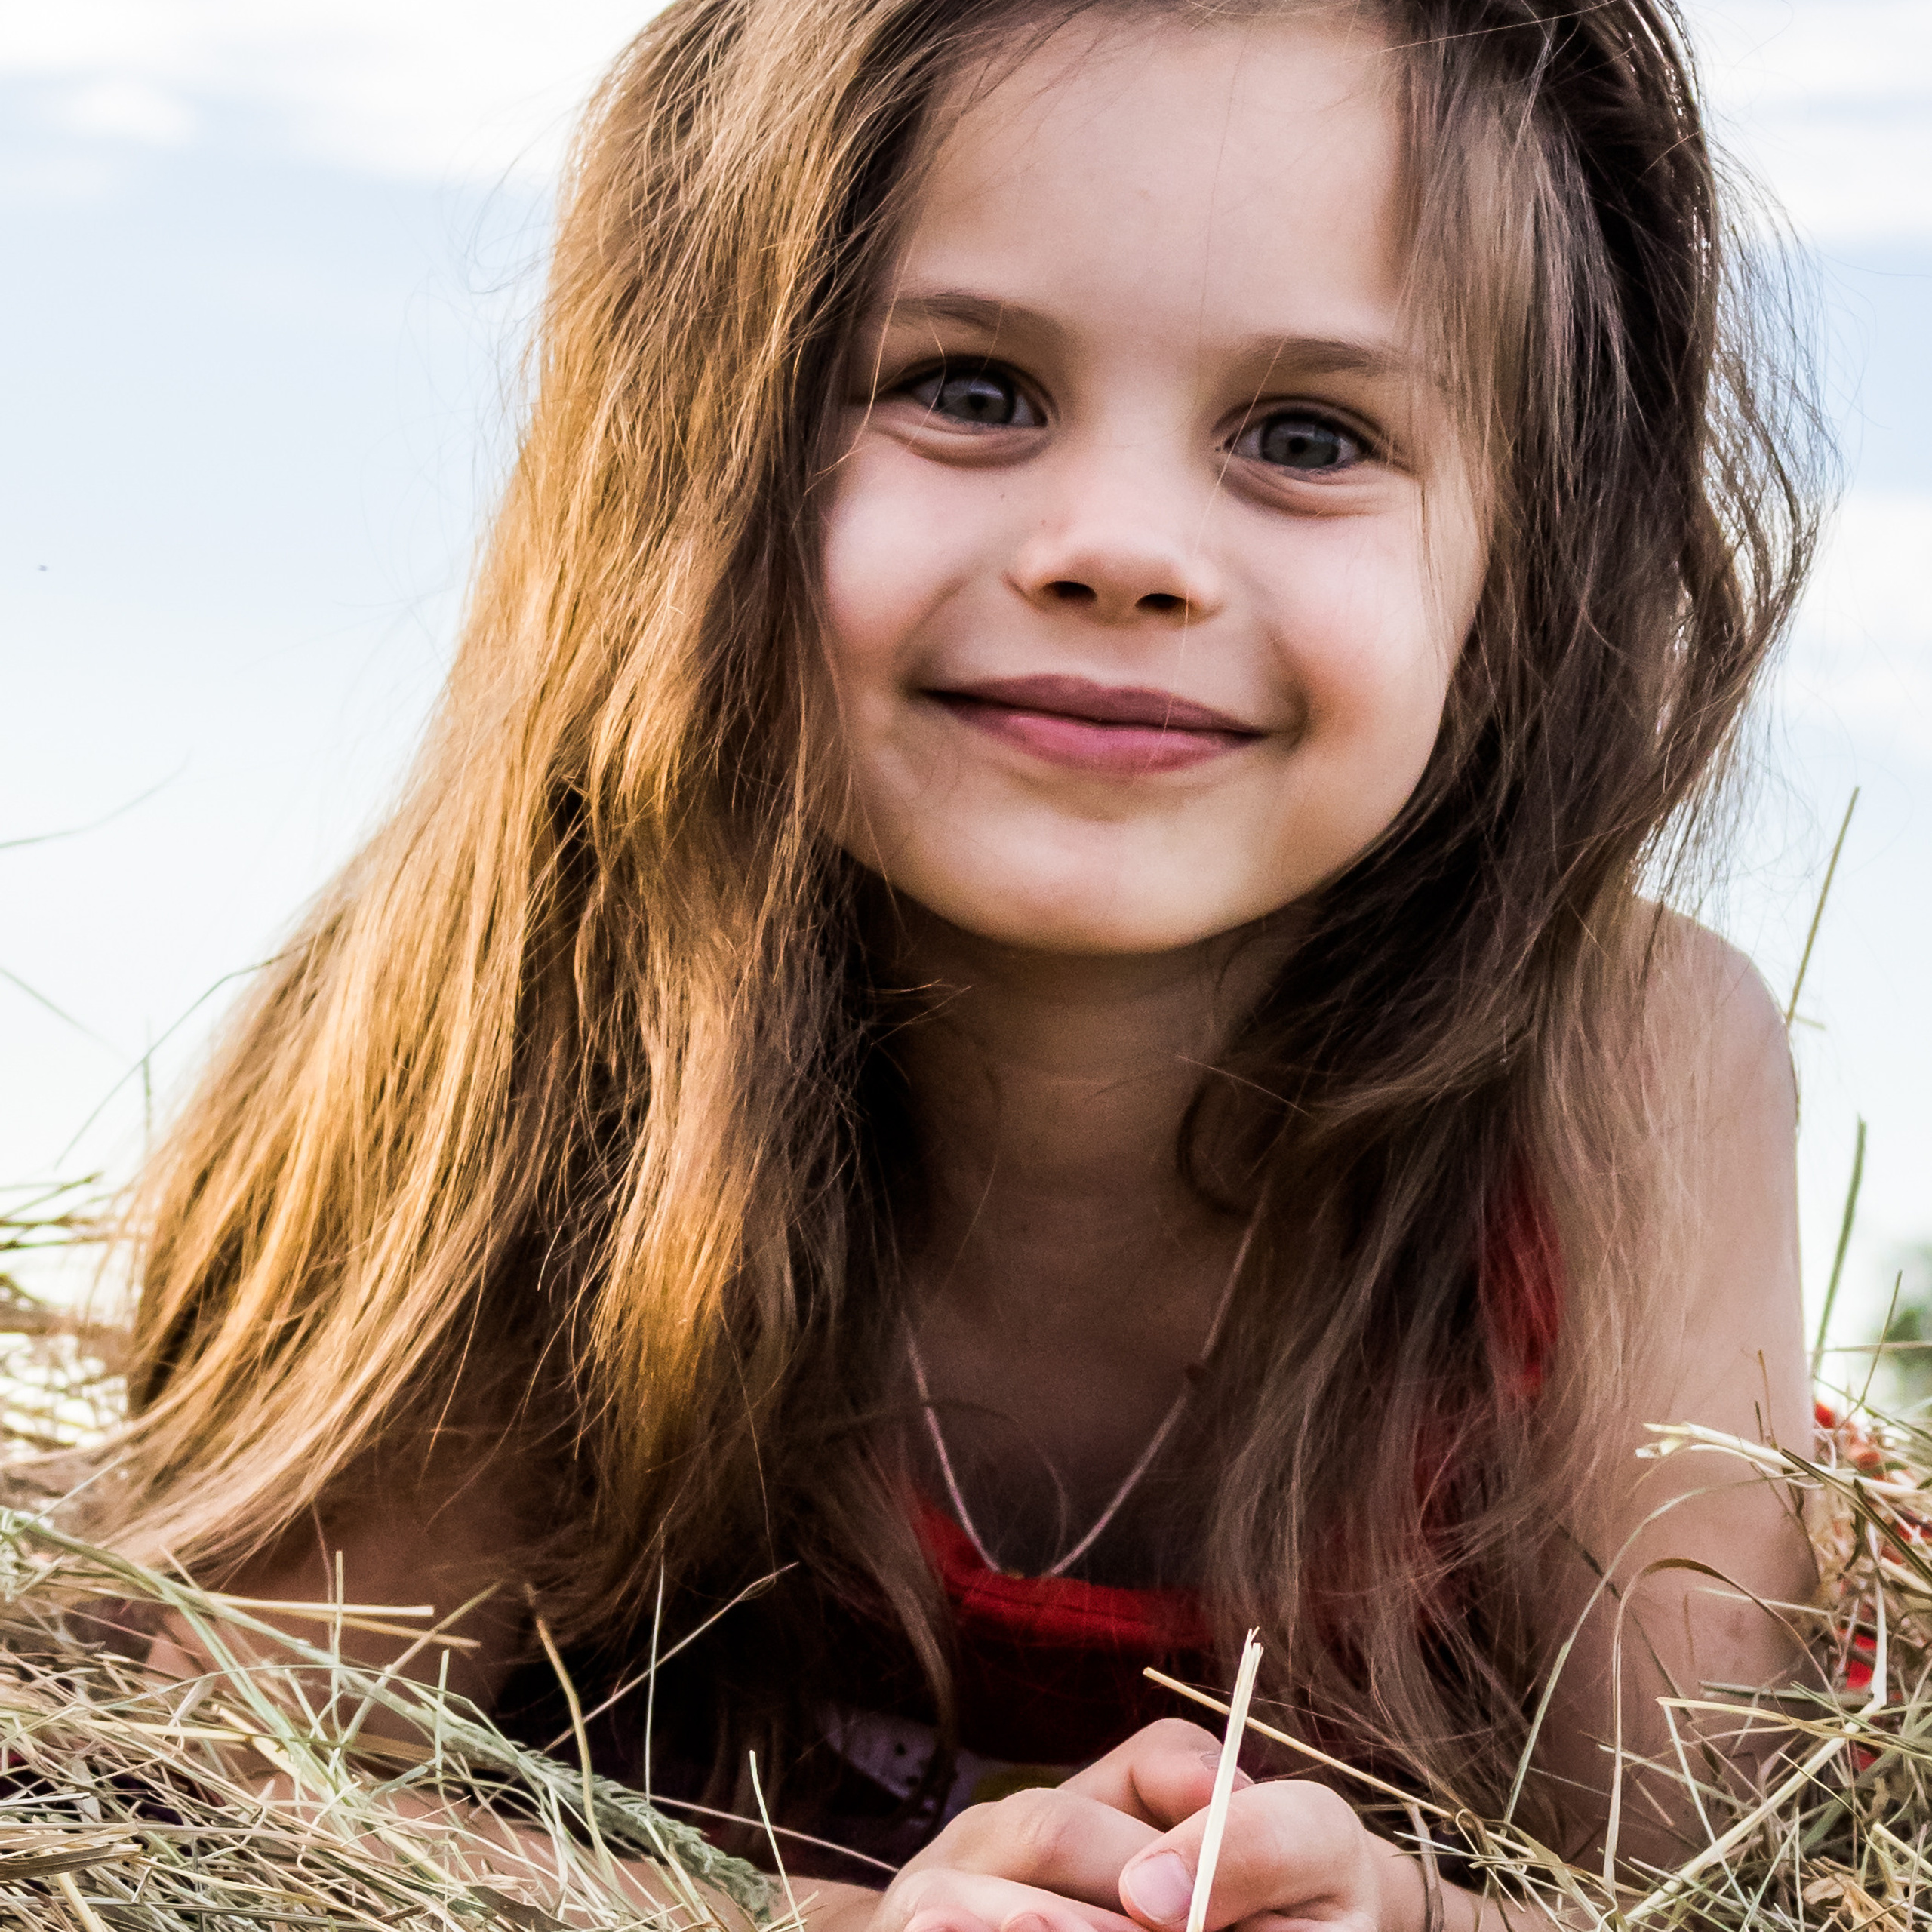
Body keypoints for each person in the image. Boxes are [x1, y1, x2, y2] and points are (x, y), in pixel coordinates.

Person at [115, 2, 1824, 1929]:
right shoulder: (549, 1008)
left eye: (1306, 434)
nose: (1119, 547)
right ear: (692, 460)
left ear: (1521, 581)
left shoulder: (1626, 1075)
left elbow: (1712, 1881)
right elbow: (248, 1793)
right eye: (968, 389)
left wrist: (1426, 1918)